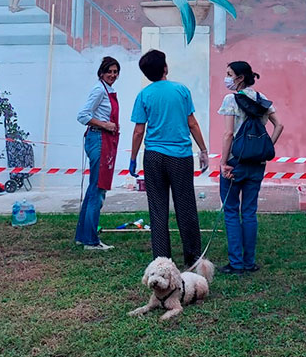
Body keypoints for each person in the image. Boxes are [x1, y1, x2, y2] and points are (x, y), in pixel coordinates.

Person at [129, 49, 209, 266]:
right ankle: (193, 258)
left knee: (157, 209)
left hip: (153, 156)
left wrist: (134, 157)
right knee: (186, 207)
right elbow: (192, 123)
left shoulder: (144, 95)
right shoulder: (181, 90)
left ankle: (162, 260)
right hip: (180, 156)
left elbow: (138, 131)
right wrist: (203, 150)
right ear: (165, 68)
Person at [217, 61, 284, 275]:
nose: (226, 78)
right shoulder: (262, 99)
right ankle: (249, 262)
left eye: (229, 74)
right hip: (257, 164)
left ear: (240, 78)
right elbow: (279, 125)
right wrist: (265, 148)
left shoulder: (231, 99)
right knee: (249, 211)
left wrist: (223, 162)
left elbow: (228, 134)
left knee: (230, 211)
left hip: (235, 162)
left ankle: (236, 263)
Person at [73, 56, 122, 250]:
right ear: (101, 73)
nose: (112, 75)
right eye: (109, 71)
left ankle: (83, 236)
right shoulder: (98, 90)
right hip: (99, 139)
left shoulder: (108, 90)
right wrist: (105, 124)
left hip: (104, 139)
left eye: (115, 72)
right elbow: (83, 115)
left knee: (94, 188)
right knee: (97, 190)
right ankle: (91, 241)